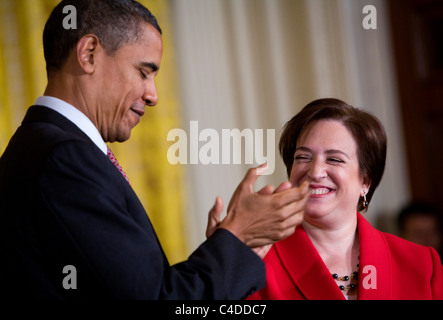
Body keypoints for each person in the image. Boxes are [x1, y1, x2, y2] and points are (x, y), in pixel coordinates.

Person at [0, 0, 309, 299]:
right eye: (144, 72)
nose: (153, 95)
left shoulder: (37, 147)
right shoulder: (64, 158)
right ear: (89, 53)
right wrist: (239, 235)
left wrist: (234, 246)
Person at [247, 98, 443, 300]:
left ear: (365, 181)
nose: (315, 172)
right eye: (303, 157)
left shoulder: (423, 264)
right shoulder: (255, 259)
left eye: (334, 159)